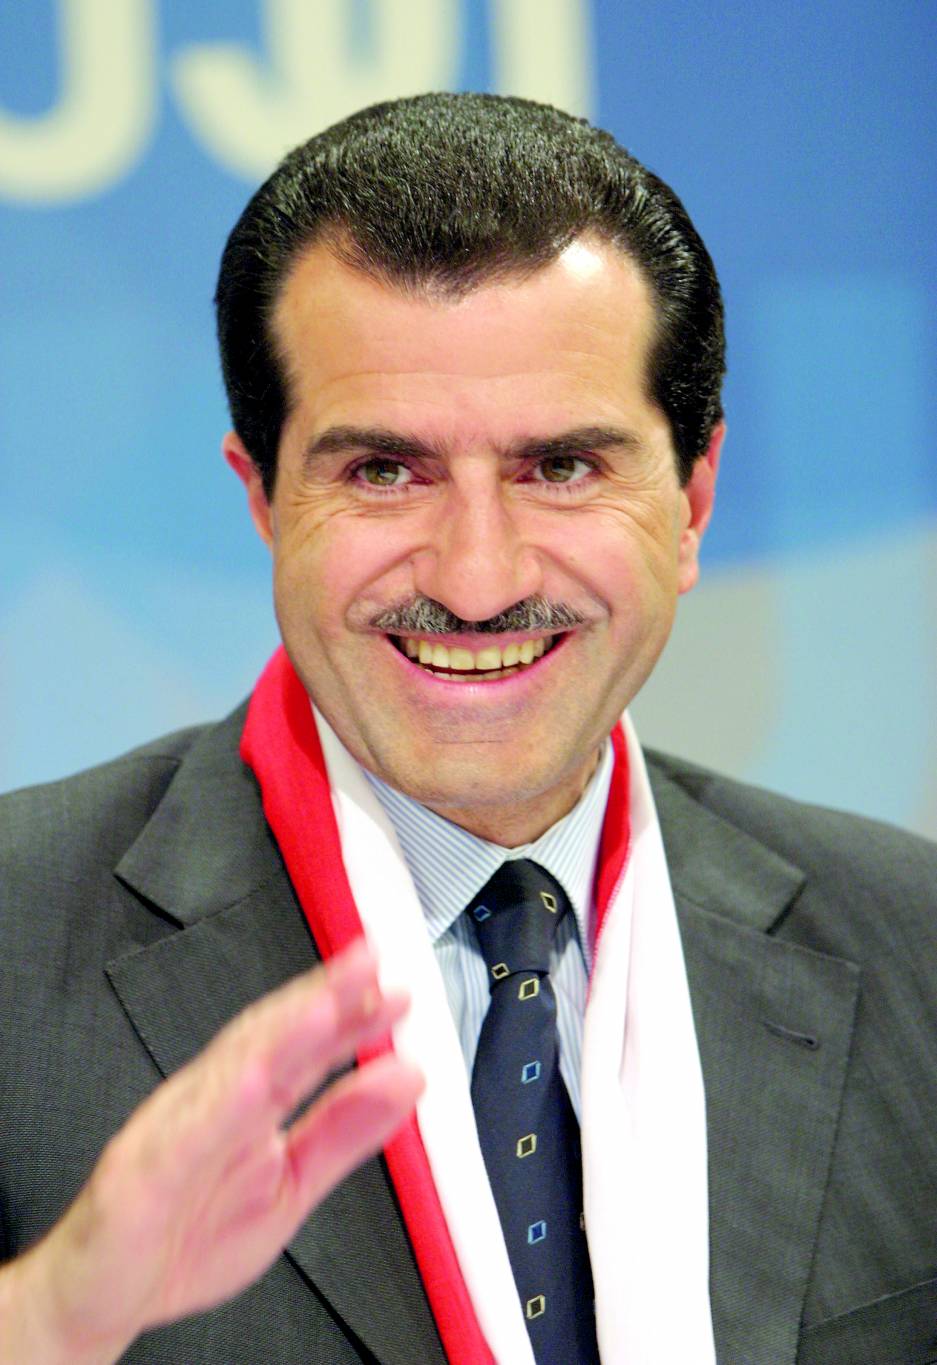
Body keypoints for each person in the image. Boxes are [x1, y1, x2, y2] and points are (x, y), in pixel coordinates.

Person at [1, 92, 935, 1365]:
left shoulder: (912, 945)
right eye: (383, 472)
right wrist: (43, 1322)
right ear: (262, 500)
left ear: (693, 502)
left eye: (562, 467)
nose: (479, 579)